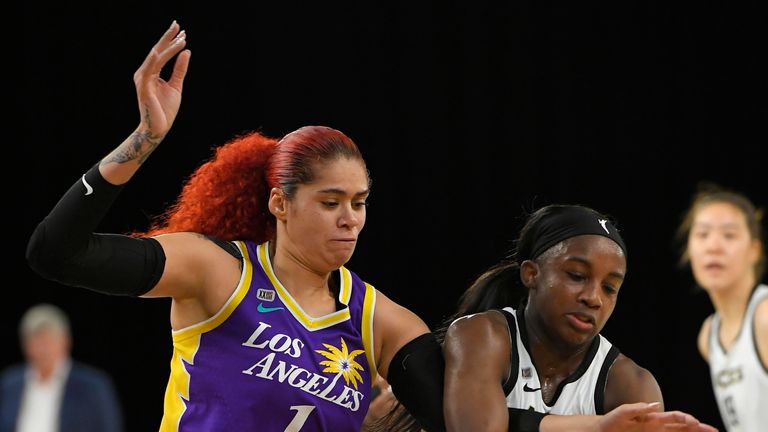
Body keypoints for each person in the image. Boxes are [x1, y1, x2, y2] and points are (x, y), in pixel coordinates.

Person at [25, 21, 430, 431]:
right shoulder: (218, 271)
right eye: (330, 202)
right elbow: (57, 254)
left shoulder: (379, 320)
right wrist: (145, 137)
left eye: (359, 203)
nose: (350, 219)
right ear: (280, 203)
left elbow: (473, 405)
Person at [369, 204, 718, 432]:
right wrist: (594, 428)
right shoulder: (482, 335)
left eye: (610, 288)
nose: (593, 298)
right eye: (577, 276)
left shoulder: (629, 383)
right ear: (531, 274)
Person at [676, 183, 767, 431]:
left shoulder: (764, 317)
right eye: (703, 234)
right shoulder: (708, 336)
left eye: (729, 235)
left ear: (754, 250)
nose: (713, 246)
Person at [0, 303, 123, 432]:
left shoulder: (93, 386)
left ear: (66, 341)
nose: (43, 348)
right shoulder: (9, 383)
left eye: (49, 340)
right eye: (36, 340)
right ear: (25, 345)